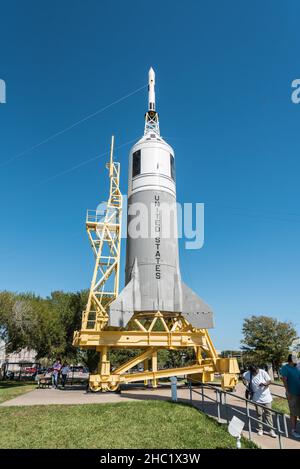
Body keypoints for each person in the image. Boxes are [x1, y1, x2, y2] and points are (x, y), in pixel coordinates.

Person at [243, 365, 276, 438]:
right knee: (259, 414)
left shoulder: (263, 372)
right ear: (251, 371)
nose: (256, 372)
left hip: (266, 397)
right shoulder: (248, 374)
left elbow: (270, 381)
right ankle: (260, 429)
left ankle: (271, 430)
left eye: (257, 371)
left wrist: (265, 384)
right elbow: (244, 378)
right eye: (254, 372)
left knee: (268, 414)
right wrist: (245, 383)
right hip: (256, 398)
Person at [280, 354, 300, 439]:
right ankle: (293, 430)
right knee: (293, 413)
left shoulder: (296, 368)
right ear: (290, 360)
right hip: (292, 393)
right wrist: (287, 392)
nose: (297, 360)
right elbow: (284, 380)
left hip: (299, 392)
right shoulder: (285, 368)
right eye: (295, 358)